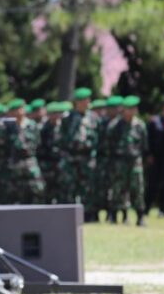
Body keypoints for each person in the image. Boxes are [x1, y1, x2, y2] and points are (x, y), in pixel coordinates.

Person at [58, 87, 99, 222]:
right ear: (77, 102)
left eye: (88, 100)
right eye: (84, 100)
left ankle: (88, 215)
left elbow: (99, 137)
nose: (87, 103)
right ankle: (69, 215)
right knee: (70, 187)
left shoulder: (93, 118)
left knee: (87, 187)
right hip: (71, 157)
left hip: (87, 157)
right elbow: (61, 137)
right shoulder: (67, 118)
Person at [106, 96, 148, 226]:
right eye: (129, 109)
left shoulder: (140, 125)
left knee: (138, 189)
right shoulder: (114, 125)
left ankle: (140, 217)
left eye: (134, 109)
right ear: (123, 110)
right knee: (118, 189)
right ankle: (115, 215)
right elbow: (108, 145)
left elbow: (144, 145)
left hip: (135, 160)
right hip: (119, 161)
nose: (132, 111)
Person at [4, 98, 45, 203]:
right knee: (16, 190)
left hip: (29, 160)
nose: (18, 112)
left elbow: (38, 142)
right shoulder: (9, 127)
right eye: (15, 110)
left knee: (37, 188)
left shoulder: (31, 125)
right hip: (15, 161)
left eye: (20, 109)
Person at [37, 101, 66, 204]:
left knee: (62, 190)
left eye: (58, 113)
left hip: (60, 162)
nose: (56, 115)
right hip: (47, 163)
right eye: (53, 113)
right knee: (48, 190)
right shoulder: (42, 128)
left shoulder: (63, 127)